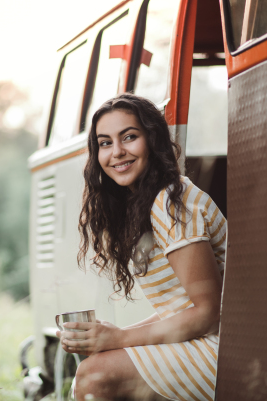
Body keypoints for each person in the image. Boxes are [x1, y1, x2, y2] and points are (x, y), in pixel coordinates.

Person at [56, 93, 226, 401]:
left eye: (129, 137)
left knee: (94, 376)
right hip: (211, 339)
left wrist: (120, 337)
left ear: (153, 139)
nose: (117, 152)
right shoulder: (149, 203)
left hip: (228, 346)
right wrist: (110, 338)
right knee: (96, 368)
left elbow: (208, 313)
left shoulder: (171, 203)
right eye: (105, 143)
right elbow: (179, 308)